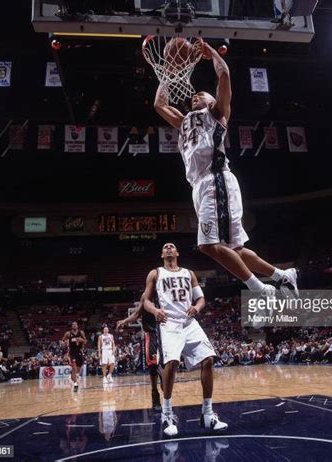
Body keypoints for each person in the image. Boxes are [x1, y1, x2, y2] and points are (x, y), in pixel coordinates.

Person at [153, 41, 298, 296]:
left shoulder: (216, 114)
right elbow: (159, 105)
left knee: (208, 245)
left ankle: (261, 288)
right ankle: (283, 275)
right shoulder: (185, 120)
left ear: (212, 101)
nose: (196, 94)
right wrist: (166, 72)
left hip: (215, 180)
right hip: (200, 185)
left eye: (203, 94)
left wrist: (211, 54)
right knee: (236, 250)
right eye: (194, 94)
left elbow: (224, 75)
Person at [142, 242, 227, 436]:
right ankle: (167, 415)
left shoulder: (189, 273)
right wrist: (155, 310)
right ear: (162, 254)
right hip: (168, 323)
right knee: (171, 363)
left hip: (189, 322)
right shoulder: (155, 273)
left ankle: (207, 415)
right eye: (165, 247)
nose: (169, 248)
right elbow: (145, 300)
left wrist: (196, 308)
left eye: (172, 246)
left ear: (177, 252)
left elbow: (201, 299)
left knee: (209, 359)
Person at [116, 297, 162, 411]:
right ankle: (154, 394)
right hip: (151, 334)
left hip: (165, 334)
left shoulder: (164, 294)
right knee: (153, 366)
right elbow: (136, 314)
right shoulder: (146, 298)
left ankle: (164, 388)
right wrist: (124, 321)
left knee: (166, 365)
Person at [62, 322, 87, 391]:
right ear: (71, 326)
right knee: (74, 367)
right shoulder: (68, 333)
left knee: (78, 368)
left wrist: (81, 340)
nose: (74, 326)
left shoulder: (81, 333)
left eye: (76, 325)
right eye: (73, 325)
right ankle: (75, 384)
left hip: (79, 352)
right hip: (72, 353)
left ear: (77, 326)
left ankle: (72, 377)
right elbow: (62, 341)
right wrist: (64, 344)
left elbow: (85, 341)